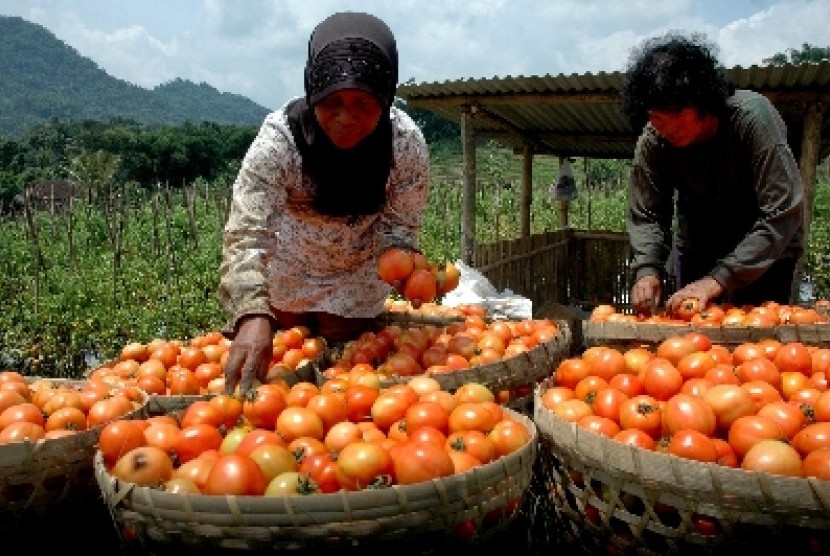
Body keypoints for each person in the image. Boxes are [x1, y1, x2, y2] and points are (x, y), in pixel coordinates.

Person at [219, 11, 430, 393]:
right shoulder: (279, 142)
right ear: (311, 91)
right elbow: (247, 234)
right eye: (332, 101)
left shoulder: (405, 145)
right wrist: (251, 312)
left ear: (386, 98)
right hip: (289, 272)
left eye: (364, 103)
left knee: (344, 371)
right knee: (288, 357)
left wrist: (402, 268)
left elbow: (399, 225)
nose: (346, 118)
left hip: (356, 283)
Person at [620, 31, 805, 317]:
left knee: (760, 341)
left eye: (678, 114)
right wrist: (647, 269)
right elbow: (646, 214)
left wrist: (719, 279)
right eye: (657, 118)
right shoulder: (654, 140)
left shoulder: (753, 120)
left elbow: (782, 210)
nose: (668, 128)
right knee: (695, 339)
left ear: (703, 103)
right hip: (699, 248)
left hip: (765, 253)